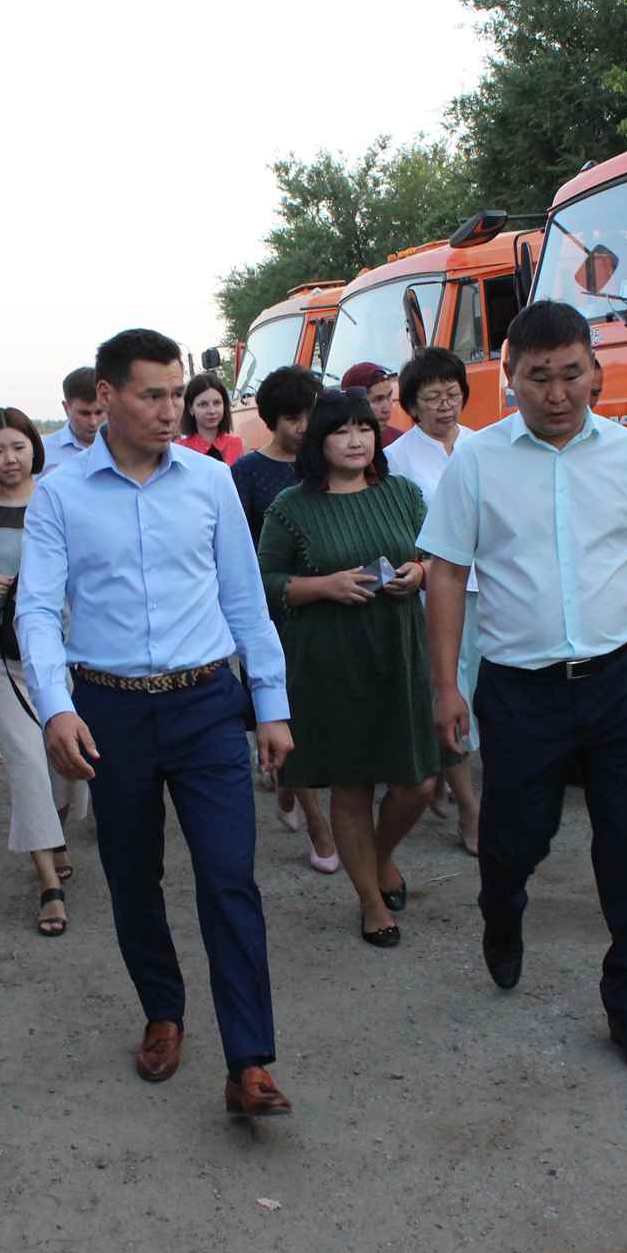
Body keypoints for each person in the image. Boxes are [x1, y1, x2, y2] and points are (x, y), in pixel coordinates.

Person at [418, 302, 627, 1084]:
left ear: (596, 373)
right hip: (520, 690)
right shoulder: (477, 463)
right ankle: (501, 909)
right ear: (509, 380)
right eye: (538, 377)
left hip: (618, 682)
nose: (557, 393)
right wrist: (446, 686)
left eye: (571, 374)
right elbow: (446, 573)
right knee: (517, 836)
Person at [19, 328, 296, 1117]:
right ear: (106, 397)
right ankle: (163, 1011)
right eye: (153, 395)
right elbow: (36, 609)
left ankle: (249, 1060)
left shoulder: (210, 482)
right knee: (133, 874)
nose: (171, 408)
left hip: (205, 704)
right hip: (108, 710)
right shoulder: (60, 496)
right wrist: (56, 707)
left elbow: (245, 599)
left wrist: (271, 706)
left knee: (229, 875)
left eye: (177, 392)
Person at [258, 391, 438, 946]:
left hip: (400, 652)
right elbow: (264, 583)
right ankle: (370, 901)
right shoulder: (292, 506)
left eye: (365, 428)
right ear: (320, 441)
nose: (357, 440)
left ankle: (378, 856)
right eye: (342, 431)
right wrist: (324, 586)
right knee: (353, 786)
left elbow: (441, 557)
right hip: (332, 662)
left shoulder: (402, 494)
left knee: (419, 783)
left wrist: (420, 572)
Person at [0, 408, 89, 930]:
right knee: (28, 762)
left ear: (34, 447)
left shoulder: (61, 499)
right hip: (1, 652)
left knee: (68, 764)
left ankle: (54, 832)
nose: (9, 459)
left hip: (66, 648)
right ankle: (47, 883)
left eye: (17, 447)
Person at [231, 365, 338, 873]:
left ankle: (290, 784)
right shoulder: (247, 473)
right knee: (287, 711)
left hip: (331, 604)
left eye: (310, 415)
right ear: (272, 419)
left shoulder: (330, 465)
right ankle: (320, 828)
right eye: (293, 417)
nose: (304, 426)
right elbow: (236, 549)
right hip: (271, 611)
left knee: (319, 714)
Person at [386, 346, 485, 856]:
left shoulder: (482, 445)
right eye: (432, 397)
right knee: (450, 693)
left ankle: (457, 782)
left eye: (452, 394)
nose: (445, 405)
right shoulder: (396, 459)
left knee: (488, 693)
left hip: (493, 588)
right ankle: (470, 808)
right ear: (412, 405)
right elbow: (397, 533)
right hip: (435, 591)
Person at [175, 371, 244, 464]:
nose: (212, 411)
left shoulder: (235, 444)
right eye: (203, 404)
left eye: (217, 403)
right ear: (190, 409)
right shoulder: (180, 449)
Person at [44, 366, 106, 467]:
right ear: (66, 408)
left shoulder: (128, 449)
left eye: (99, 412)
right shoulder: (43, 453)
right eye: (84, 414)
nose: (93, 422)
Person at [341, 361, 403, 446]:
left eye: (389, 396)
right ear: (354, 403)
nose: (387, 409)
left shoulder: (399, 442)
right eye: (378, 399)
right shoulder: (336, 447)